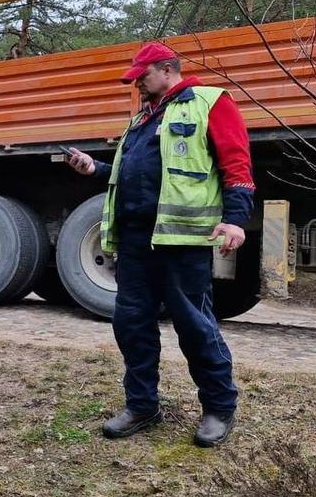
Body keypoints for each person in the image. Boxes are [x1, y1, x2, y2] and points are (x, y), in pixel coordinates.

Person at [65, 42, 254, 448]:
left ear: (167, 70)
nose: (138, 86)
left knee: (194, 327)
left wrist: (236, 220)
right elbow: (129, 174)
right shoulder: (142, 119)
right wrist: (94, 168)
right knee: (131, 325)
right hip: (135, 242)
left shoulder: (210, 103)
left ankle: (219, 408)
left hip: (181, 242)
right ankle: (142, 405)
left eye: (143, 77)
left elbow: (236, 165)